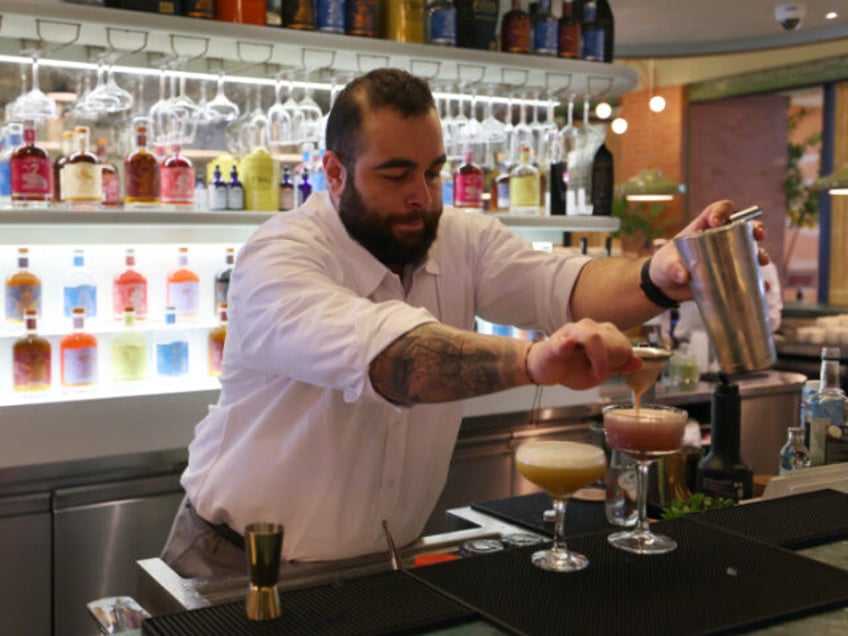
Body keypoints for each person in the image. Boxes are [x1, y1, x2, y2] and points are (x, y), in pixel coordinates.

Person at [161, 68, 765, 578]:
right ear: (335, 173)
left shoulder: (460, 239)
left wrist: (660, 273)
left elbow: (565, 285)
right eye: (396, 175)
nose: (421, 196)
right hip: (237, 563)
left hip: (378, 567)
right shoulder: (281, 255)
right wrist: (531, 361)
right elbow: (394, 358)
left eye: (432, 172)